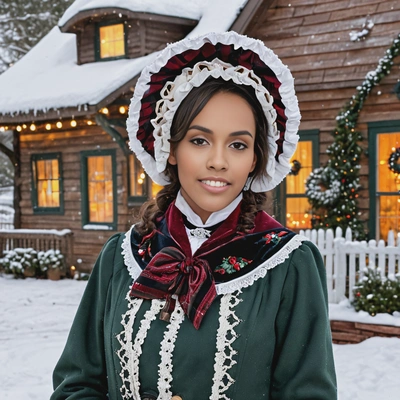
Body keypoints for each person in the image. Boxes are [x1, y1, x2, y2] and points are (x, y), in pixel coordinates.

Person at [51, 31, 337, 400]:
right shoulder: (122, 257)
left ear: (255, 159)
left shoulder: (286, 264)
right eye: (199, 140)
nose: (218, 161)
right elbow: (76, 384)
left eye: (238, 145)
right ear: (170, 149)